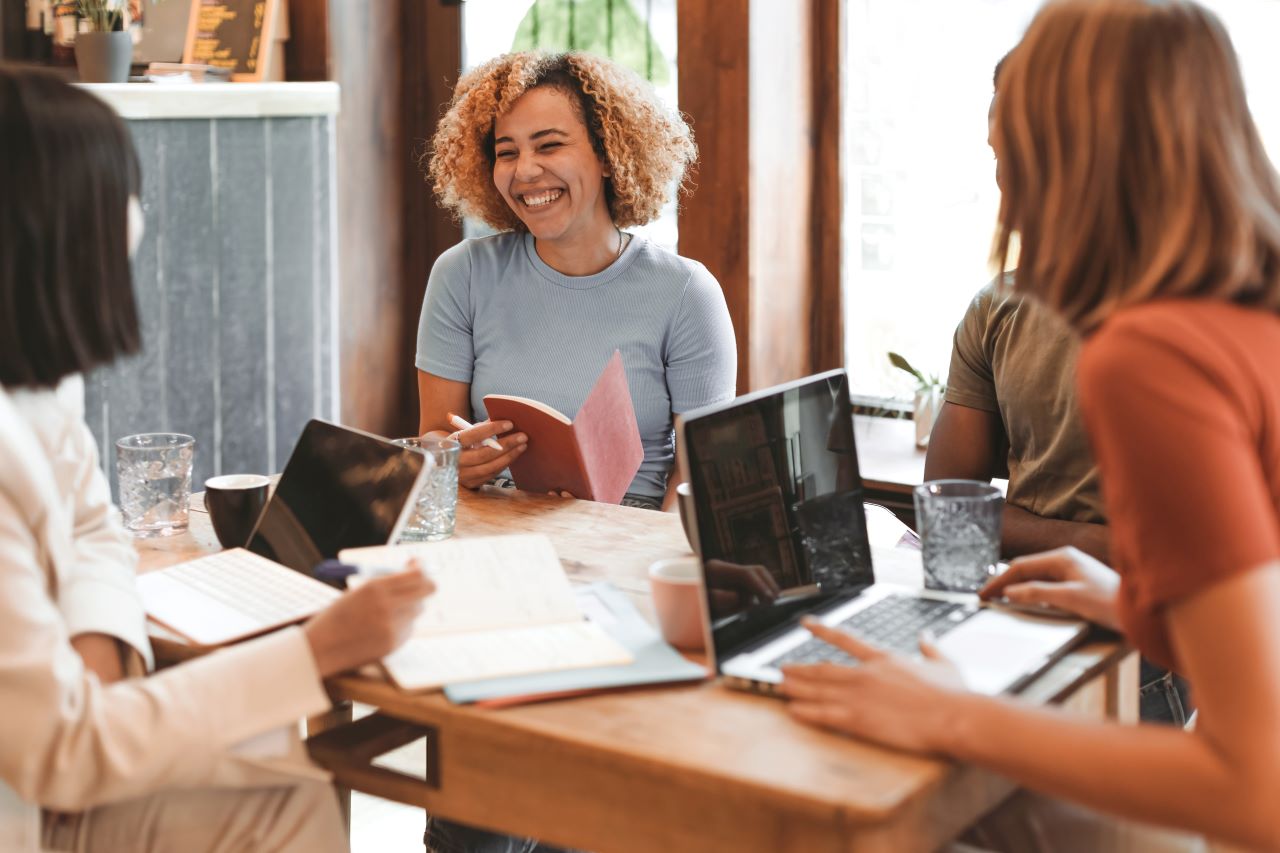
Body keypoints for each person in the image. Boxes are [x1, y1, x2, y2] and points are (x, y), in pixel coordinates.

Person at [782, 1, 1280, 849]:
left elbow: (1256, 789)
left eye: (1009, 160)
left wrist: (954, 715)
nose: (1005, 191)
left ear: (1073, 161)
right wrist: (1138, 609)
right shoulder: (1249, 308)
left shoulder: (1149, 355)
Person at [0, 66, 435, 852]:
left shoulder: (36, 378)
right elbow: (62, 753)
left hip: (42, 759)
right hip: (24, 801)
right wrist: (318, 648)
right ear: (58, 233)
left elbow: (96, 525)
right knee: (280, 789)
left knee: (267, 757)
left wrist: (97, 663)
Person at [926, 58, 1190, 726]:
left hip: (1148, 656)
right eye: (997, 151)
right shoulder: (997, 306)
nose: (1001, 180)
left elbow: (1173, 553)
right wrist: (1087, 540)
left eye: (1020, 153)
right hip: (1024, 618)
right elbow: (950, 514)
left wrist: (1024, 532)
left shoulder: (1193, 308)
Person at [417, 51, 737, 512]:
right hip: (495, 532)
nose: (525, 170)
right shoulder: (462, 274)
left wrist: (648, 562)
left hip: (626, 537)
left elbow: (697, 475)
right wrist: (452, 459)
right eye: (507, 152)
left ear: (609, 155)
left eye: (549, 146)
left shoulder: (686, 294)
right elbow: (435, 435)